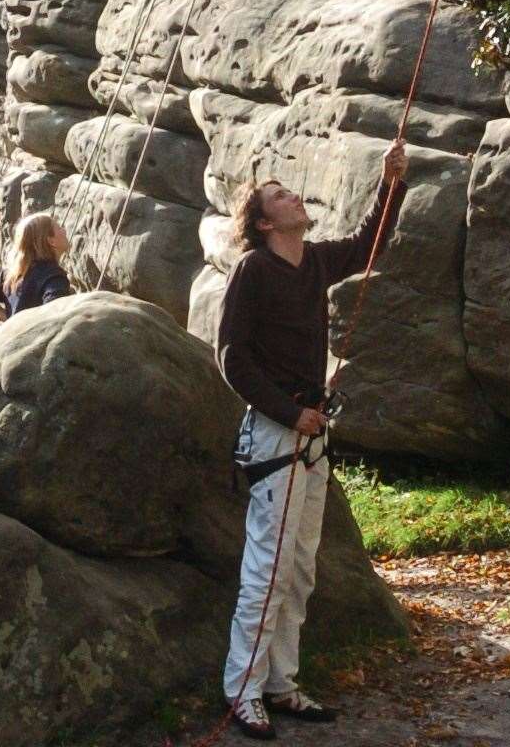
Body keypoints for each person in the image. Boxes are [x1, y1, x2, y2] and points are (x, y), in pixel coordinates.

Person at [217, 141, 407, 740]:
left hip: (310, 432)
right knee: (268, 568)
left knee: (299, 566)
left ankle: (281, 681)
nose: (294, 195)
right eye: (280, 195)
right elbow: (232, 359)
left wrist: (390, 182)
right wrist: (288, 411)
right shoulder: (253, 270)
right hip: (277, 434)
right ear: (264, 221)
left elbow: (370, 241)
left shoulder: (316, 261)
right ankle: (241, 690)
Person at [0, 211, 74, 320]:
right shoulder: (53, 276)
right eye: (59, 228)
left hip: (14, 336)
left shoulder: (11, 275)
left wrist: (10, 321)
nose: (64, 231)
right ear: (51, 241)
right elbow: (54, 315)